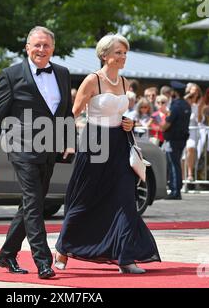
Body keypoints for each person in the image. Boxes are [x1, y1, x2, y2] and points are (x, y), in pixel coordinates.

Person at [54, 34, 161, 275]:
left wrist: (128, 124)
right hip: (94, 142)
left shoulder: (125, 82)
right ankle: (62, 248)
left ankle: (125, 257)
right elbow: (73, 112)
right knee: (84, 199)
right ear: (105, 55)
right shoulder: (93, 81)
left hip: (119, 144)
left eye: (125, 53)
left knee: (124, 200)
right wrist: (67, 141)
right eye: (118, 53)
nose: (123, 57)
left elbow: (122, 112)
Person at [0, 26, 74, 279]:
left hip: (49, 147)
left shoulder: (63, 73)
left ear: (53, 48)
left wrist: (69, 140)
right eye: (37, 45)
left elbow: (67, 111)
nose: (41, 50)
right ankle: (43, 262)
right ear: (27, 48)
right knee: (34, 202)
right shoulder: (11, 75)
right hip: (21, 147)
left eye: (46, 45)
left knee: (33, 203)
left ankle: (7, 254)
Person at [162, 81, 192, 200]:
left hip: (173, 138)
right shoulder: (186, 105)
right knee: (176, 164)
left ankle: (175, 190)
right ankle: (176, 189)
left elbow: (167, 124)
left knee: (173, 165)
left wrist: (161, 126)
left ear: (174, 92)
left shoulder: (175, 106)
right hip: (181, 138)